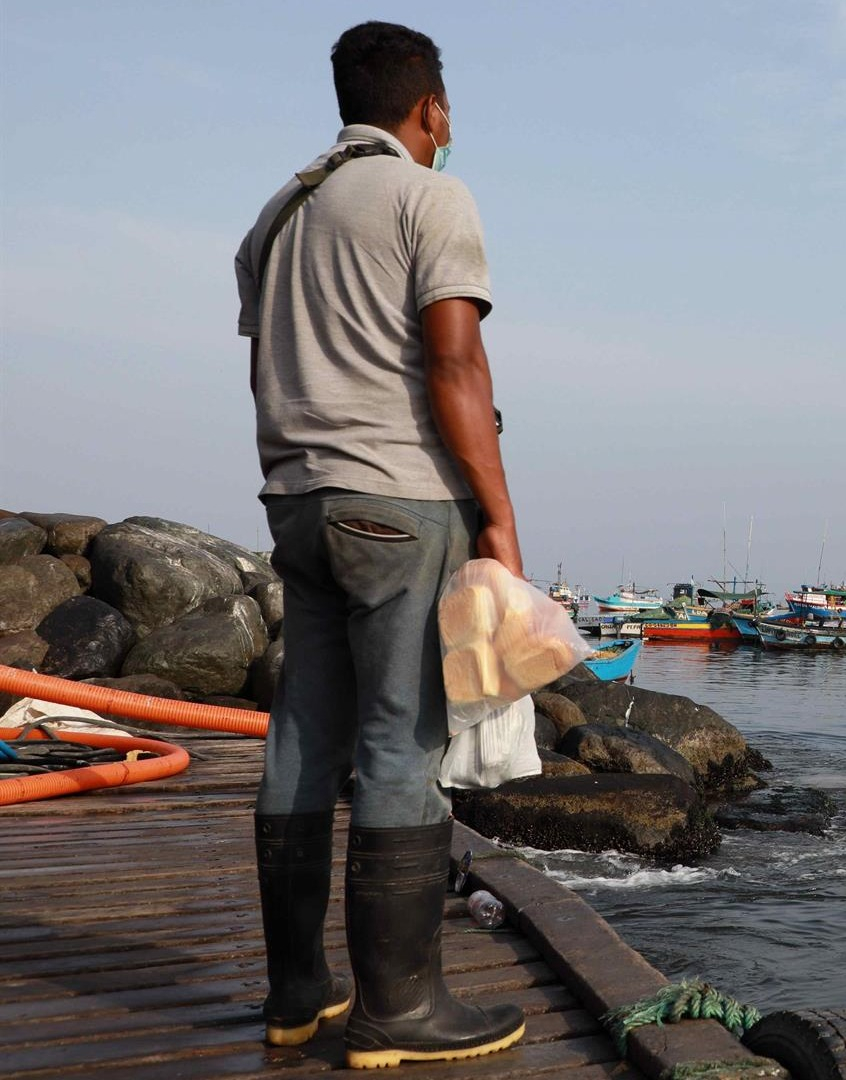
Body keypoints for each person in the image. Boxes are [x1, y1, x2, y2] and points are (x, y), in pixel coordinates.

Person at [234, 20, 524, 1068]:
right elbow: (455, 367)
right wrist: (498, 518)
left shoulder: (280, 213)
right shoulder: (429, 195)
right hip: (399, 506)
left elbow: (266, 369)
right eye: (447, 115)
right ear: (429, 109)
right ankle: (399, 1013)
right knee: (403, 746)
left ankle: (295, 993)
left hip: (297, 503)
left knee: (303, 737)